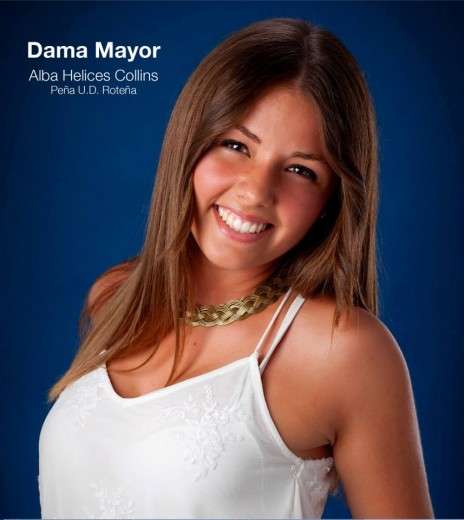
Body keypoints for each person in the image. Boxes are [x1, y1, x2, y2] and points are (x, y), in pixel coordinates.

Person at [38, 17, 434, 519]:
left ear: (330, 202)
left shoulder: (342, 352)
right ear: (190, 142)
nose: (255, 192)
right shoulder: (117, 297)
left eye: (300, 170)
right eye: (236, 146)